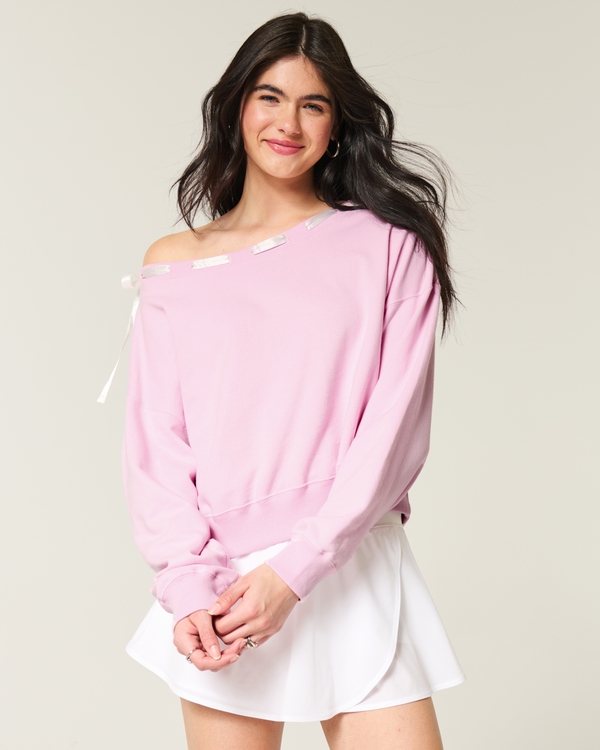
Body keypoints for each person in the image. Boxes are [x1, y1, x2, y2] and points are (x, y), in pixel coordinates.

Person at [111, 11, 465, 750]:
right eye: (269, 97)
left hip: (349, 563)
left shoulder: (390, 245)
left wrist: (298, 569)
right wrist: (186, 583)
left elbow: (393, 431)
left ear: (337, 125)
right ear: (237, 107)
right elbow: (157, 444)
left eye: (314, 104)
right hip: (222, 585)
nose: (288, 123)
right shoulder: (174, 264)